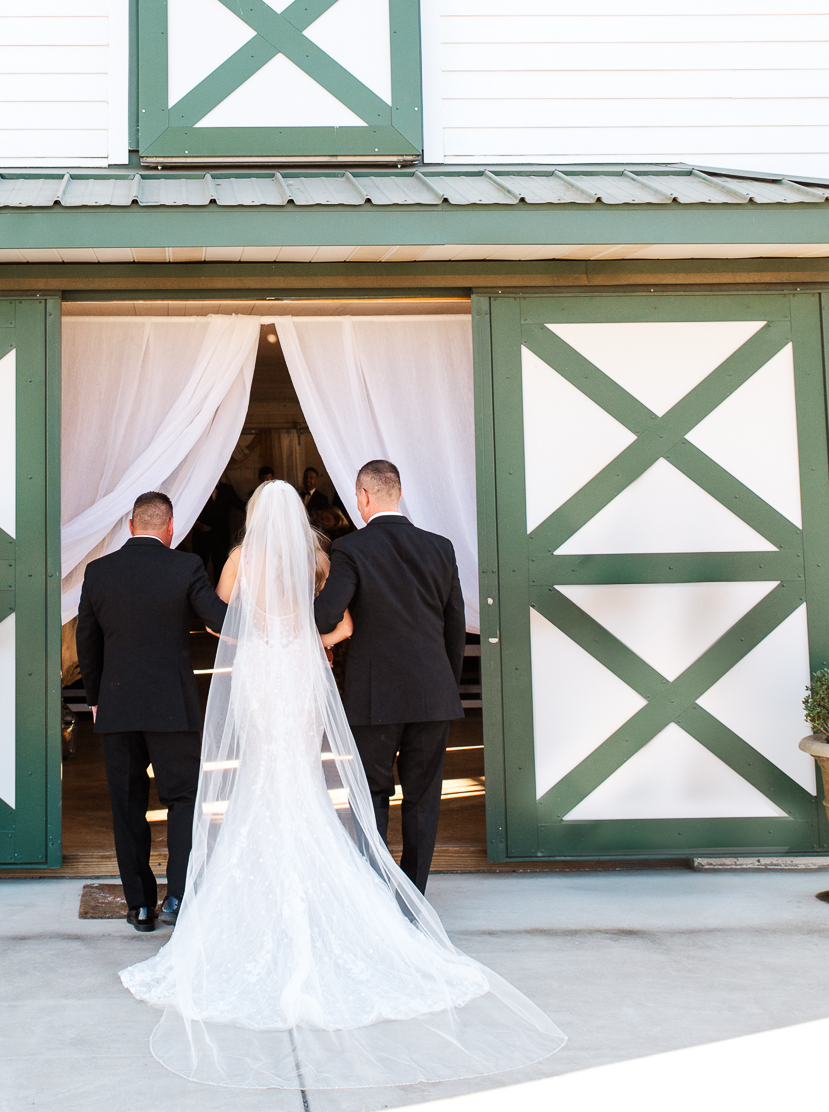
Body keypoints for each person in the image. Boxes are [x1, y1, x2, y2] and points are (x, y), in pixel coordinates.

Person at [120, 481, 563, 1089]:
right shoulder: (318, 559)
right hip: (298, 673)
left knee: (258, 775)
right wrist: (305, 641)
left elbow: (224, 623)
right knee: (300, 773)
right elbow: (344, 626)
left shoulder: (239, 559)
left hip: (258, 675)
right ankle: (378, 889)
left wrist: (262, 639)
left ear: (254, 516)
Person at [76, 490, 227, 933]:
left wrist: (96, 696)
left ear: (130, 526)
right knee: (182, 800)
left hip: (117, 706)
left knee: (127, 807)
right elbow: (217, 618)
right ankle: (176, 898)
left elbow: (88, 639)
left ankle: (139, 906)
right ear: (170, 527)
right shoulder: (186, 567)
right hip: (172, 708)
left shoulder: (99, 572)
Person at [313, 458, 464, 893]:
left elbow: (324, 618)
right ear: (398, 493)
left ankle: (377, 893)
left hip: (375, 696)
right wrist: (444, 685)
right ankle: (414, 894)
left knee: (373, 794)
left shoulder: (351, 550)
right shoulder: (441, 547)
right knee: (422, 799)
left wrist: (343, 620)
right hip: (433, 693)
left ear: (362, 497)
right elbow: (454, 627)